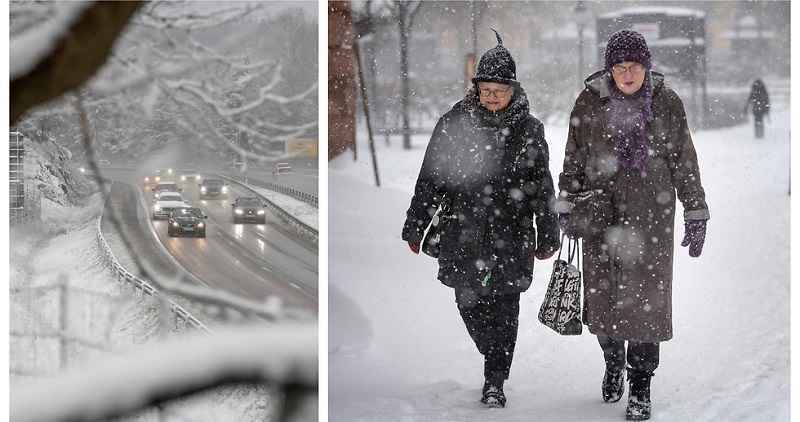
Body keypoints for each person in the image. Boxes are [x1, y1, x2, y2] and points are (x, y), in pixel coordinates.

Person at [401, 30, 559, 409]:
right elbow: (431, 178)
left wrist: (547, 231)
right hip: (463, 230)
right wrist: (416, 224)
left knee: (505, 306)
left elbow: (542, 186)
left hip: (512, 231)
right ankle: (491, 352)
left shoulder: (529, 129)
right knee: (469, 303)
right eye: (485, 88)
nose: (491, 96)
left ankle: (495, 377)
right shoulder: (454, 122)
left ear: (513, 90)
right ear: (476, 88)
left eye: (498, 90)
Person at [557, 30, 709, 421]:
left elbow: (684, 162)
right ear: (610, 68)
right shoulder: (590, 101)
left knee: (647, 308)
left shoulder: (666, 103)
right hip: (600, 217)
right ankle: (612, 361)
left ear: (647, 66)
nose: (627, 75)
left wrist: (695, 211)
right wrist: (566, 204)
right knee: (604, 304)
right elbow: (573, 157)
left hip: (651, 220)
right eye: (620, 67)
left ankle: (640, 385)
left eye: (635, 66)